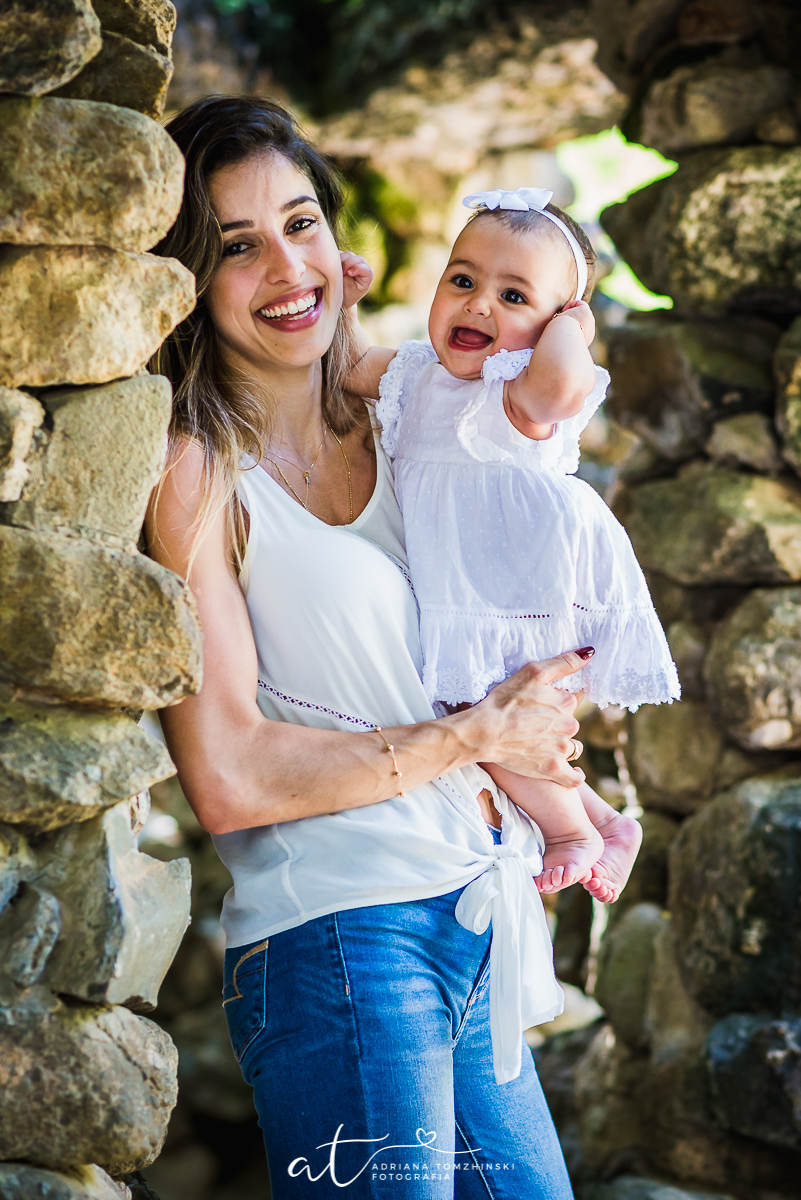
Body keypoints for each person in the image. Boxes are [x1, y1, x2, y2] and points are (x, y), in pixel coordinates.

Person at [147, 95, 595, 1200]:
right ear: (192, 277)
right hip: (341, 938)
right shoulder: (196, 470)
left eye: (300, 224)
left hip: (476, 919)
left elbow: (551, 370)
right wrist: (479, 734)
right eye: (237, 246)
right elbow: (230, 775)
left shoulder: (409, 420)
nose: (284, 268)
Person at [342, 187, 678, 897]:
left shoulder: (519, 391)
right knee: (474, 718)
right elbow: (341, 367)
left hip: (511, 585)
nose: (479, 306)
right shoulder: (414, 373)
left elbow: (564, 387)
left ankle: (571, 833)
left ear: (555, 323)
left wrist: (572, 327)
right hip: (456, 585)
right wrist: (342, 303)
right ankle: (604, 820)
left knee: (502, 714)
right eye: (462, 280)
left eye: (514, 296)